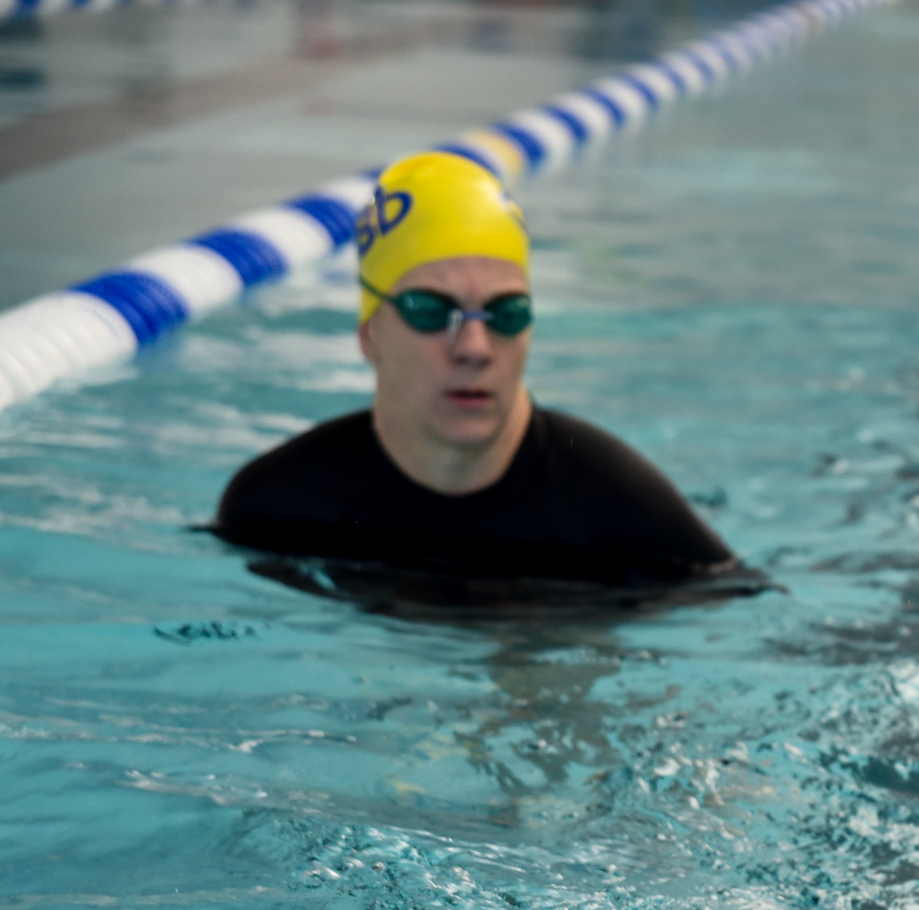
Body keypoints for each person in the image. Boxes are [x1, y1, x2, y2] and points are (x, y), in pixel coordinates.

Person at [213, 152, 737, 589]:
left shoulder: (627, 515)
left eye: (506, 313)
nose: (475, 348)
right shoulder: (275, 509)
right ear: (370, 336)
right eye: (430, 311)